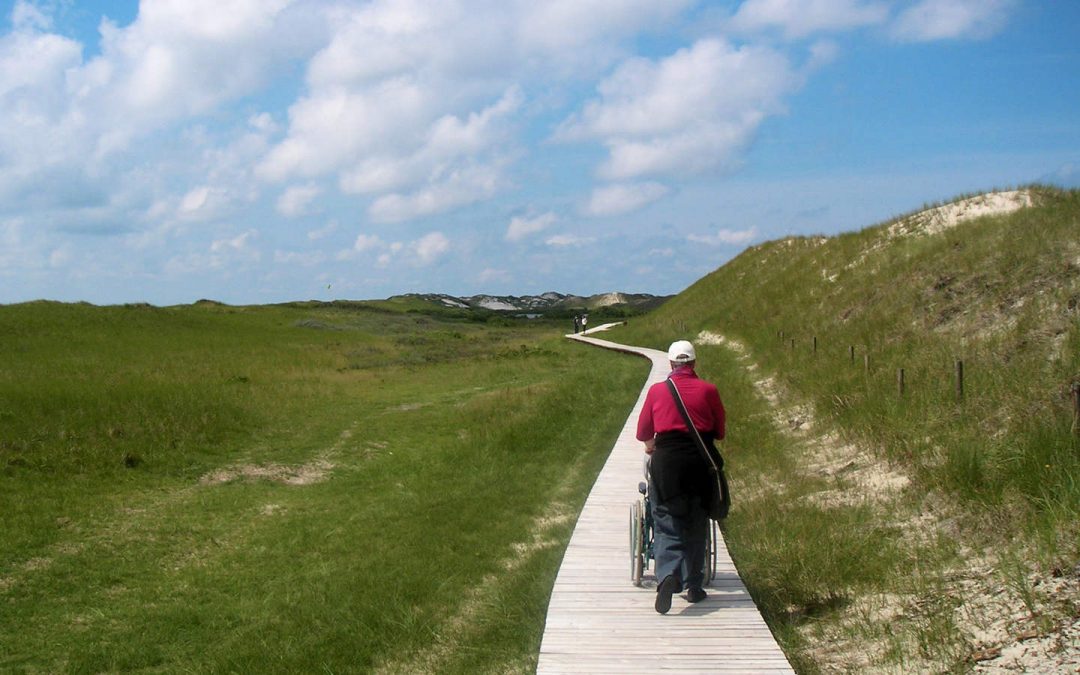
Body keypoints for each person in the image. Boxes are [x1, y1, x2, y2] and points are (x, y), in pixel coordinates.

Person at [636, 339, 726, 614]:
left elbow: (643, 432)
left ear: (671, 364)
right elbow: (719, 431)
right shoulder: (708, 390)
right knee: (696, 520)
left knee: (665, 519)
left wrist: (652, 444)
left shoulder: (658, 391)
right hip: (699, 462)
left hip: (666, 463)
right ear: (694, 363)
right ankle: (694, 585)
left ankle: (668, 575)